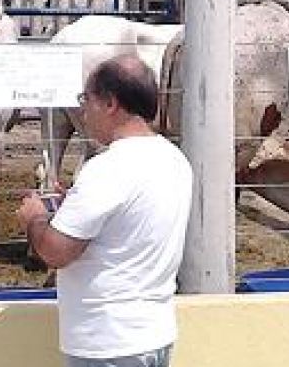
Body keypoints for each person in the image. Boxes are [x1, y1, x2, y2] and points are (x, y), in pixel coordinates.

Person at [19, 54, 192, 367]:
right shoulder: (174, 160)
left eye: (86, 99)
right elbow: (129, 223)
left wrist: (35, 218)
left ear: (110, 103)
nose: (83, 111)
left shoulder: (107, 169)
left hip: (107, 342)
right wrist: (75, 206)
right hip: (154, 334)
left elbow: (56, 252)